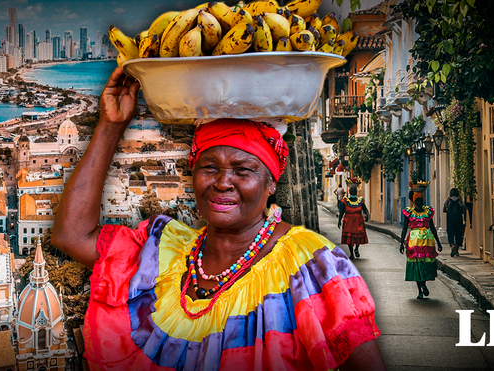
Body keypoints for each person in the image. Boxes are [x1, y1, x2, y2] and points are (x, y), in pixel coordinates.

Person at [52, 66, 387, 371]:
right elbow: (71, 236)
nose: (223, 182)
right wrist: (111, 126)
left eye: (243, 170)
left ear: (271, 182)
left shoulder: (310, 264)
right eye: (209, 168)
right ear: (193, 175)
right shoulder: (162, 253)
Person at [399, 187, 443, 299]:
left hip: (427, 242)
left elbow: (432, 228)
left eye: (421, 200)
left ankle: (424, 285)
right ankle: (420, 289)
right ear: (414, 201)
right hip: (414, 242)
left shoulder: (428, 212)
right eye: (417, 200)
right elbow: (404, 228)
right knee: (416, 264)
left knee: (425, 264)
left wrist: (438, 242)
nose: (419, 202)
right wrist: (401, 242)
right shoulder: (409, 212)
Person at [337, 186, 369, 259]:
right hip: (349, 222)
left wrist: (367, 215)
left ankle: (356, 249)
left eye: (354, 191)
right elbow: (341, 212)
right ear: (350, 192)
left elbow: (365, 209)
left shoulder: (360, 201)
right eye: (353, 191)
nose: (354, 192)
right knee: (349, 237)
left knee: (359, 235)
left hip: (358, 221)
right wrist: (339, 220)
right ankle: (351, 253)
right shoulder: (344, 201)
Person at [443, 188, 466, 257]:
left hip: (450, 220)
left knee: (450, 233)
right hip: (458, 220)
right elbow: (463, 211)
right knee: (458, 234)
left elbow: (444, 210)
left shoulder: (447, 201)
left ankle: (452, 245)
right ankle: (456, 251)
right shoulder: (460, 201)